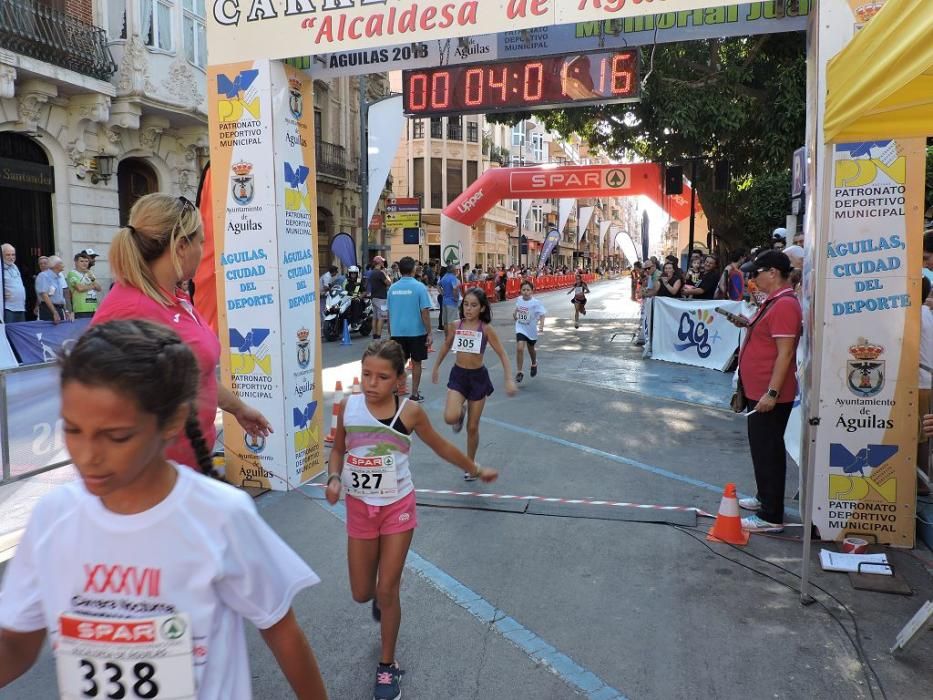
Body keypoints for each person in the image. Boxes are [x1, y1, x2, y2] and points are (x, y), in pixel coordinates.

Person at [0, 320, 327, 697]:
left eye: (117, 436)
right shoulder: (51, 518)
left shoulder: (220, 515)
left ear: (171, 421)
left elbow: (281, 630)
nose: (88, 455)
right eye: (73, 430)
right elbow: (17, 646)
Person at [325, 340, 497, 700]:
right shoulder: (349, 407)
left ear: (398, 379)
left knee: (388, 589)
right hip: (360, 508)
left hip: (397, 506)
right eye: (366, 374)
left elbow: (442, 446)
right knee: (362, 592)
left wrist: (475, 468)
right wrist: (334, 478)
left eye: (381, 377)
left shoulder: (410, 412)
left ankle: (388, 667)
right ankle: (379, 598)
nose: (371, 383)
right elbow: (338, 449)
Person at [92, 193, 272, 470]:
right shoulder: (130, 308)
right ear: (181, 246)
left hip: (189, 467)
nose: (203, 250)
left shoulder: (175, 297)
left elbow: (195, 372)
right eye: (201, 242)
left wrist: (237, 408)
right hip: (151, 479)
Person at [729, 250, 802, 533]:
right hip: (758, 389)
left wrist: (771, 392)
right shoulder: (773, 302)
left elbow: (784, 355)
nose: (751, 278)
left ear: (772, 272)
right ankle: (764, 498)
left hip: (768, 394)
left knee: (769, 450)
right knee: (762, 448)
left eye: (755, 272)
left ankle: (771, 516)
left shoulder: (784, 305)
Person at [432, 287, 515, 479]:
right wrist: (436, 366)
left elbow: (502, 353)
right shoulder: (455, 325)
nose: (468, 309)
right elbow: (446, 345)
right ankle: (460, 413)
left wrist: (509, 379)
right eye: (466, 305)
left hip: (478, 378)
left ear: (483, 308)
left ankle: (470, 464)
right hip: (459, 376)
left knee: (472, 427)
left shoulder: (486, 329)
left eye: (474, 305)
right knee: (450, 417)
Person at [387, 256, 433, 402]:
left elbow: (389, 313)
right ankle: (414, 394)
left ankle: (394, 391)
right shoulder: (419, 287)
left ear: (399, 270)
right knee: (417, 362)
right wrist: (429, 332)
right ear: (413, 269)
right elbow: (424, 312)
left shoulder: (392, 288)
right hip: (417, 332)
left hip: (397, 332)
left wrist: (390, 330)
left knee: (398, 363)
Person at [513, 280, 546, 383]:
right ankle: (519, 372)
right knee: (519, 348)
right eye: (523, 290)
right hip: (520, 327)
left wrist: (541, 325)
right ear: (520, 290)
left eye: (528, 290)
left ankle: (534, 363)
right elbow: (517, 309)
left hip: (531, 329)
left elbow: (542, 314)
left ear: (532, 291)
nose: (525, 292)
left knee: (531, 348)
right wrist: (514, 314)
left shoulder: (536, 303)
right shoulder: (519, 299)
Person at [66, 251, 102, 319]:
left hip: (93, 308)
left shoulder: (89, 273)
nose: (84, 263)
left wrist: (92, 279)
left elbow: (99, 288)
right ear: (76, 262)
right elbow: (80, 288)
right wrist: (93, 286)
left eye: (86, 261)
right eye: (81, 261)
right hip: (81, 309)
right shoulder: (72, 273)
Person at [35, 255, 68, 324]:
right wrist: (54, 312)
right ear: (55, 265)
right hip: (48, 309)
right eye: (61, 263)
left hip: (59, 309)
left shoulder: (58, 277)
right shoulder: (43, 276)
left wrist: (66, 311)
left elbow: (61, 297)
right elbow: (44, 295)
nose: (63, 265)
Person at [1, 243, 26, 323]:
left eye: (13, 254)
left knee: (19, 333)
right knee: (8, 333)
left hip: (20, 307)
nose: (11, 257)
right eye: (8, 255)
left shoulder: (14, 266)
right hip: (8, 308)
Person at [369, 256, 392, 340]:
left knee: (375, 317)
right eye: (382, 262)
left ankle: (374, 335)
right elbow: (389, 283)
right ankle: (378, 335)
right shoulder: (380, 273)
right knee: (382, 317)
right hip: (381, 298)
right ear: (379, 263)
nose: (383, 263)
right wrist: (387, 274)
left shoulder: (372, 272)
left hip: (374, 297)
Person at [438, 263, 461, 330]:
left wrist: (442, 293)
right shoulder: (453, 278)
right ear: (453, 270)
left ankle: (446, 336)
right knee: (451, 322)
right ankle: (450, 337)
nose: (457, 270)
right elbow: (454, 288)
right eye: (456, 269)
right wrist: (456, 298)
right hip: (452, 302)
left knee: (445, 322)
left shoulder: (445, 277)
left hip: (444, 301)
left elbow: (438, 285)